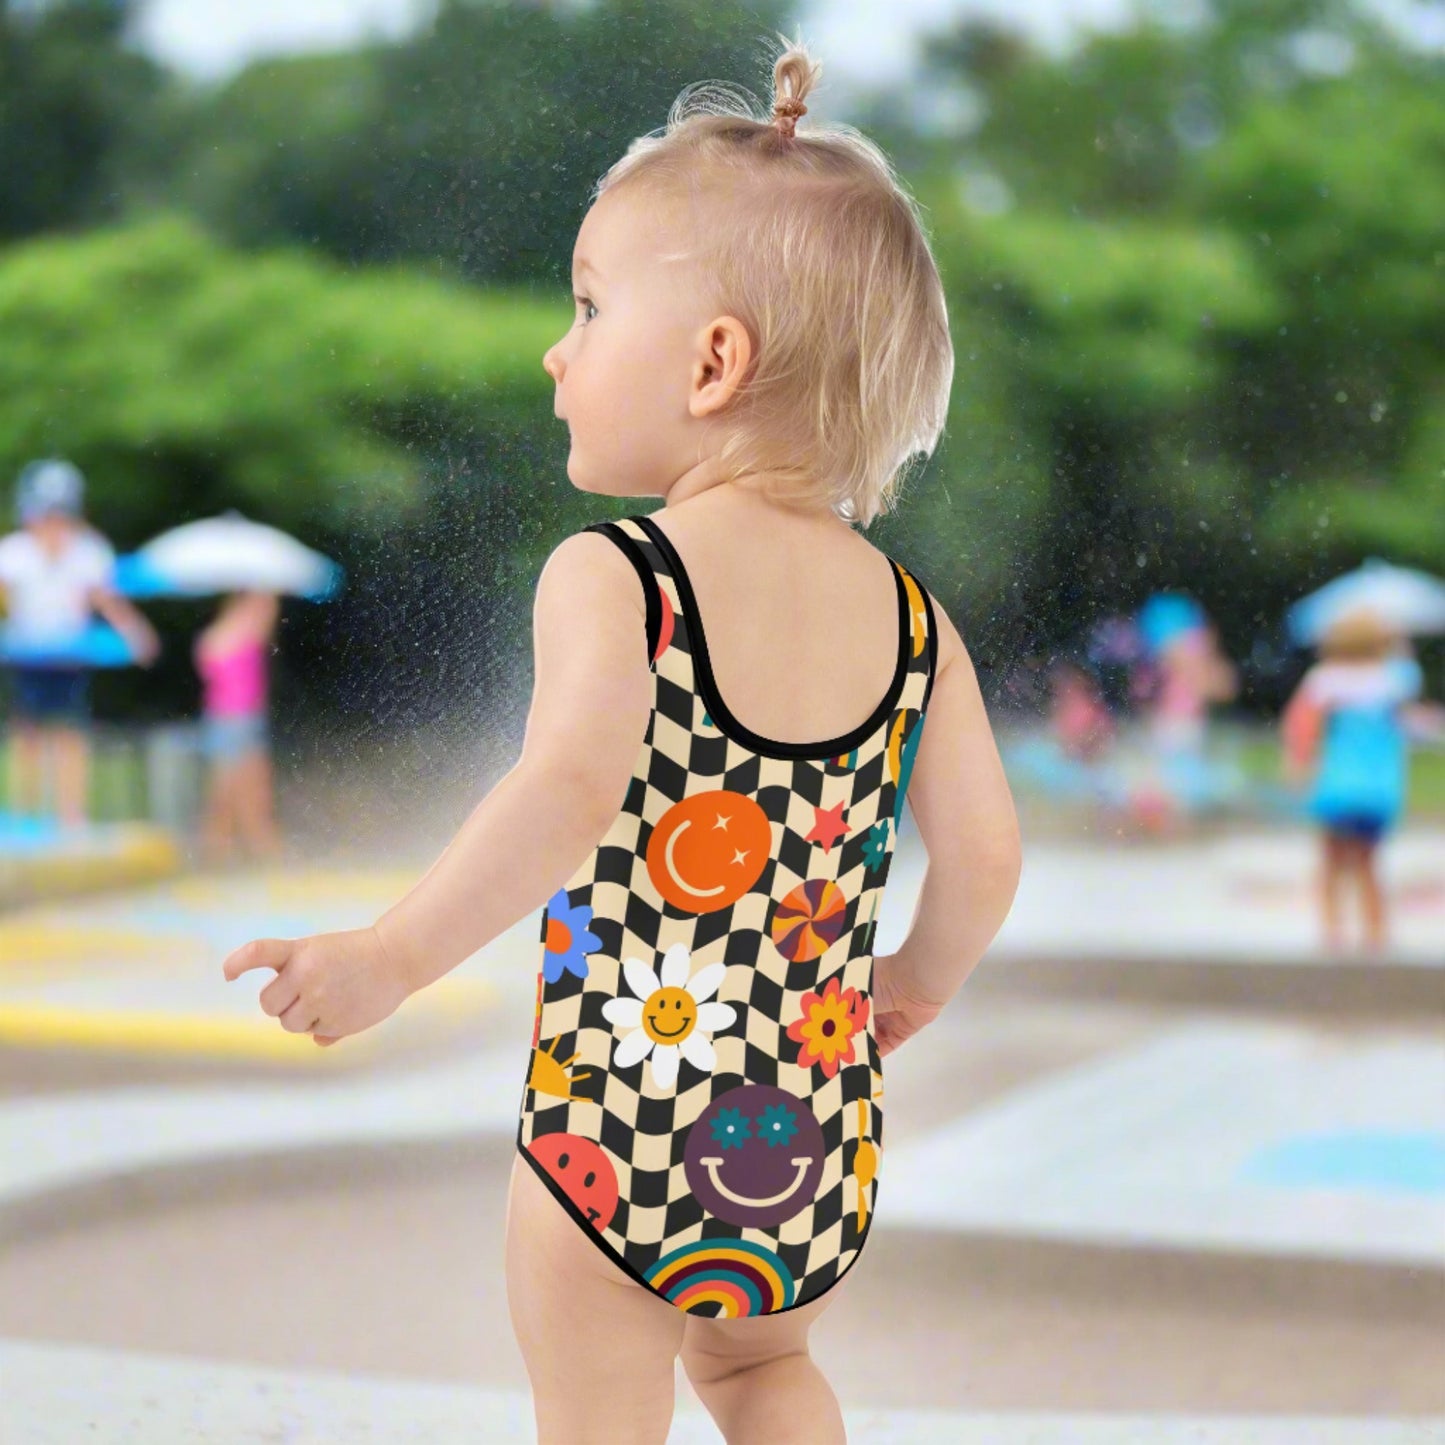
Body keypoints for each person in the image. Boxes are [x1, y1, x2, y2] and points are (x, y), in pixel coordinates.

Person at [223, 41, 1020, 1445]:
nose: (557, 346)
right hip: (808, 1138)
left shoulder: (622, 578)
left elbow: (567, 788)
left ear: (714, 364)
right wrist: (914, 981)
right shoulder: (914, 622)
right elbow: (990, 855)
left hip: (618, 1124)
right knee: (767, 1378)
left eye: (586, 309)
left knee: (594, 1408)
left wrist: (389, 955)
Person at [0, 459, 159, 827]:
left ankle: (71, 815)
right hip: (28, 656)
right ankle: (26, 814)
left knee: (70, 733)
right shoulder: (14, 552)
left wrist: (136, 633)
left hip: (69, 656)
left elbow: (106, 600)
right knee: (28, 734)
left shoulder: (87, 552)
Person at [1281, 608, 1425, 953]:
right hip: (1378, 788)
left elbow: (1302, 725)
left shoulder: (1325, 679)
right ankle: (1375, 935)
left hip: (1337, 785)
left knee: (1331, 862)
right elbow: (1409, 716)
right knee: (1368, 864)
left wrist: (1299, 766)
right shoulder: (1393, 678)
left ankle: (1333, 933)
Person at [195, 590, 281, 863]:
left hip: (241, 718)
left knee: (248, 788)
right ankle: (222, 848)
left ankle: (250, 848)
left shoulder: (221, 635)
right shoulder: (232, 634)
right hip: (231, 719)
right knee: (230, 790)